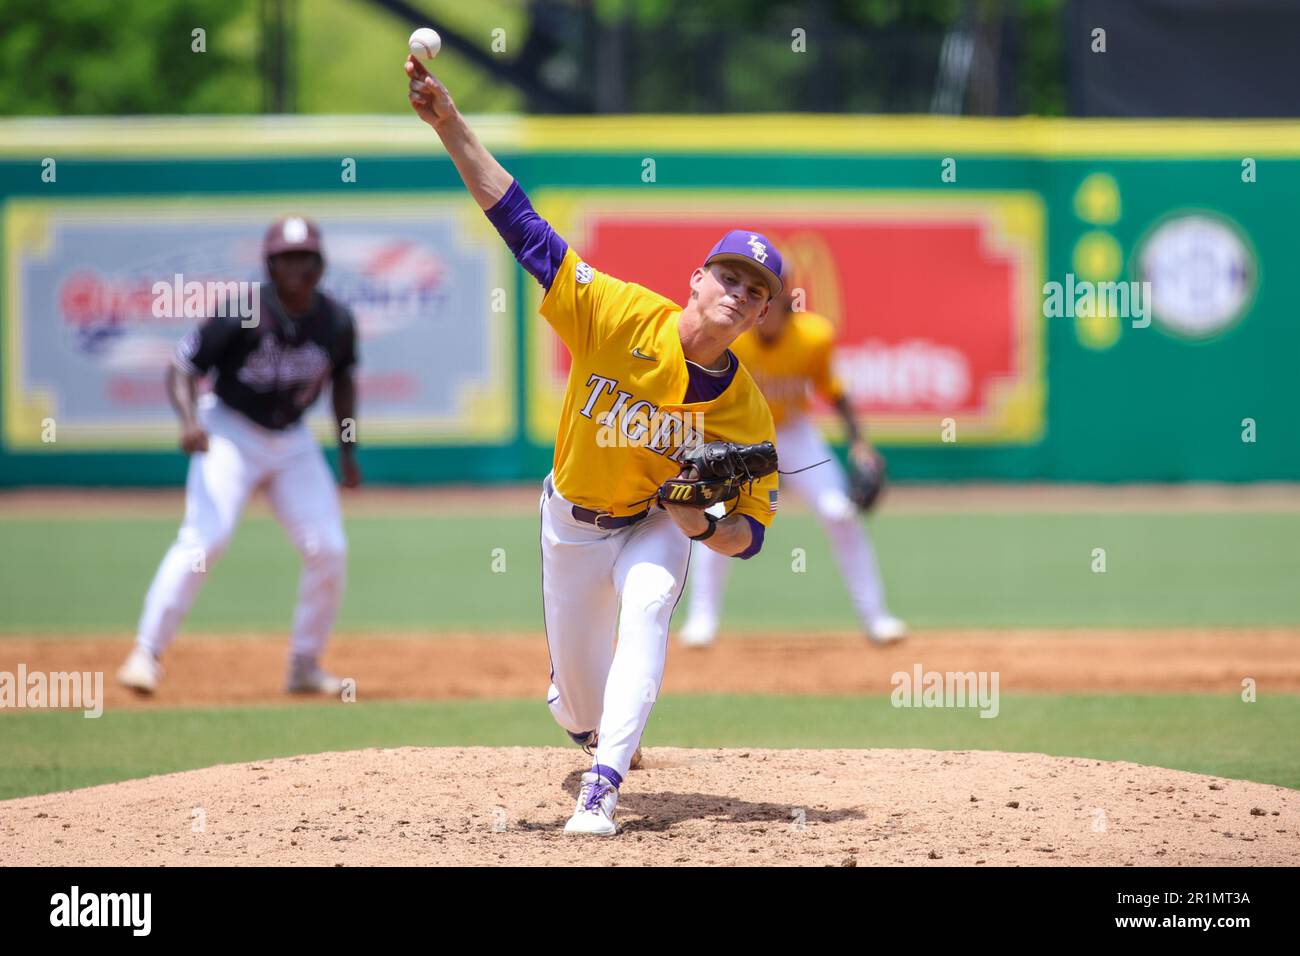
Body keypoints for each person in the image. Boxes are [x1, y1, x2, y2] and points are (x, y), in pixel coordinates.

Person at [405, 54, 780, 836]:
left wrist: (703, 526)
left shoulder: (746, 411)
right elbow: (519, 222)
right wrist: (449, 124)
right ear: (697, 279)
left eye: (757, 291)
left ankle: (601, 790)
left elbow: (752, 540)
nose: (740, 295)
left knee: (648, 607)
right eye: (731, 278)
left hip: (652, 522)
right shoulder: (613, 313)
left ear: (760, 313)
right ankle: (585, 724)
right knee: (578, 702)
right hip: (570, 524)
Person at [116, 217, 361, 696]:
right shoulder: (243, 312)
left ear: (321, 264)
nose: (297, 267)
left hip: (292, 439)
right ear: (270, 264)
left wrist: (347, 450)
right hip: (229, 430)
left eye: (305, 257)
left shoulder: (335, 320)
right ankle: (146, 652)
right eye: (286, 258)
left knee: (328, 548)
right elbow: (183, 367)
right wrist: (189, 421)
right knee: (206, 539)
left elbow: (344, 381)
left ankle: (304, 666)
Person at [678, 267, 906, 647]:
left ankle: (876, 618)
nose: (771, 309)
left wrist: (860, 443)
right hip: (740, 434)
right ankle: (702, 620)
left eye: (778, 301)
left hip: (792, 432)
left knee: (839, 513)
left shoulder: (814, 337)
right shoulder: (733, 336)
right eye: (767, 300)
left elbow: (834, 392)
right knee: (715, 517)